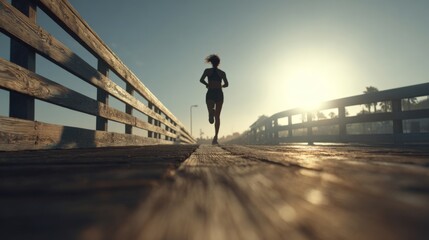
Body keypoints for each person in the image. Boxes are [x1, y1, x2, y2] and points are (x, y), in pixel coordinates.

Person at [199, 54, 229, 145]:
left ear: (211, 62)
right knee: (217, 117)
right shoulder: (222, 73)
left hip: (211, 92)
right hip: (219, 93)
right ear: (218, 63)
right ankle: (215, 137)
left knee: (211, 110)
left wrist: (207, 84)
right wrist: (221, 85)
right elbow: (227, 84)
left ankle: (210, 112)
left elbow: (201, 80)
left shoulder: (207, 71)